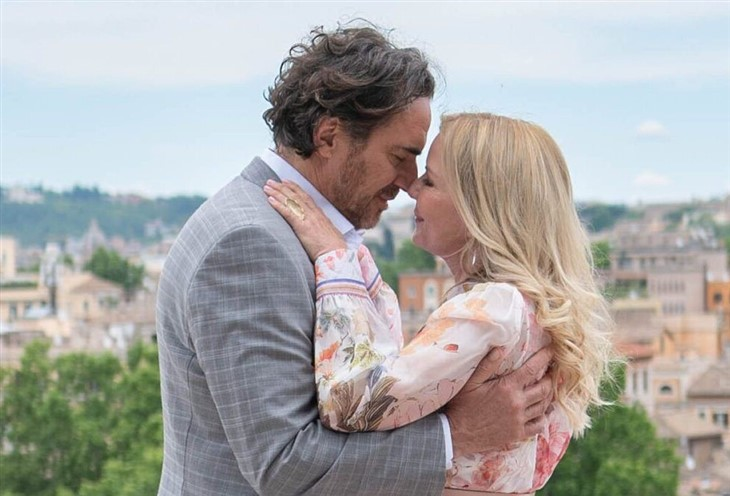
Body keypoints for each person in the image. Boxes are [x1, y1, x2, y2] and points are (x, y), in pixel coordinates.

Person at [156, 22, 554, 496]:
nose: (409, 182)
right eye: (400, 156)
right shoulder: (251, 243)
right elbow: (285, 463)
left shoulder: (291, 230)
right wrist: (457, 435)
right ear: (329, 137)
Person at [265, 112, 614, 494]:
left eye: (430, 180)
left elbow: (351, 402)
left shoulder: (492, 309)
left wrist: (336, 260)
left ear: (478, 208)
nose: (412, 188)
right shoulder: (532, 312)